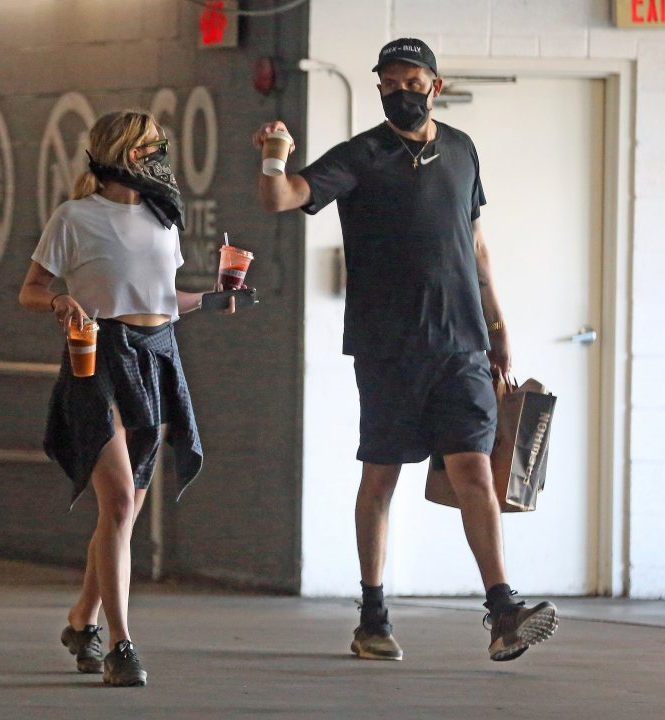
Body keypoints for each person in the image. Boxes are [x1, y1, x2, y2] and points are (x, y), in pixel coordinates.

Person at [252, 38, 558, 663]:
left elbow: (475, 245)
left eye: (412, 82)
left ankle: (503, 612)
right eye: (389, 83)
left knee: (474, 469)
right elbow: (281, 198)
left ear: (435, 87)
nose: (401, 92)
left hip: (463, 346)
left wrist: (498, 324)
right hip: (389, 348)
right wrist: (274, 157)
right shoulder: (362, 154)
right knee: (382, 477)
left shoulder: (463, 150)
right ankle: (373, 617)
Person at [19, 110, 234, 686]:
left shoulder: (165, 218)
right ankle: (121, 645)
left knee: (127, 512)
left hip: (158, 355)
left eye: (160, 146)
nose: (158, 156)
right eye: (149, 147)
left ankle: (81, 620)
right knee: (117, 506)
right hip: (99, 357)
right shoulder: (75, 218)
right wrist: (61, 302)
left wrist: (211, 297)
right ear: (121, 154)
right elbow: (31, 290)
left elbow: (164, 298)